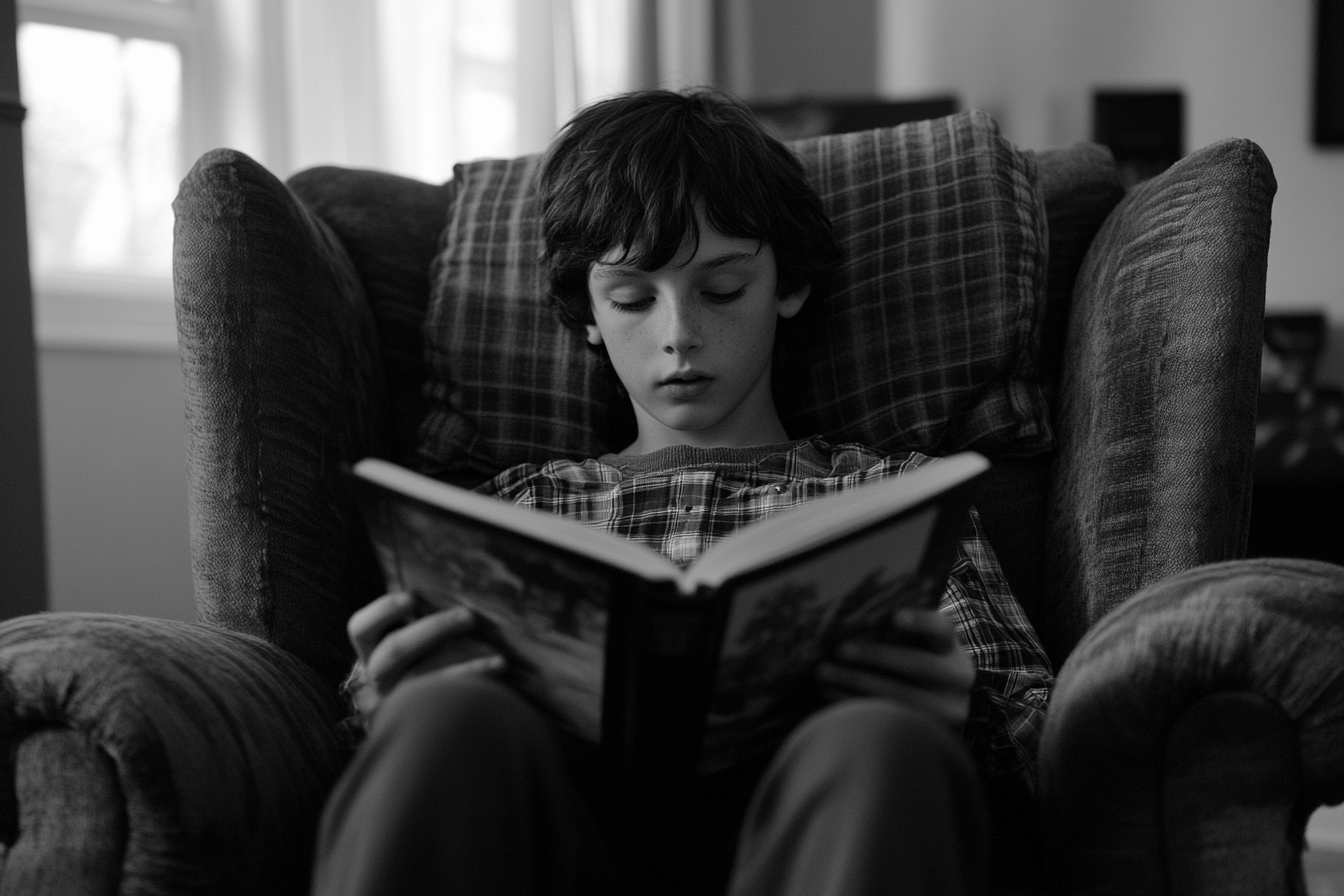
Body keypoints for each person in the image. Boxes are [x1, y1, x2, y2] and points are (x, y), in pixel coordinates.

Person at [312, 88, 1053, 896]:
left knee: (882, 740)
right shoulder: (514, 509)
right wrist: (383, 698)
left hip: (814, 828)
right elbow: (358, 752)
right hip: (556, 833)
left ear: (788, 287)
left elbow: (1041, 740)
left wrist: (960, 711)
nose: (679, 335)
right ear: (588, 314)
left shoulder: (895, 497)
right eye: (632, 299)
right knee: (442, 720)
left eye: (723, 290)